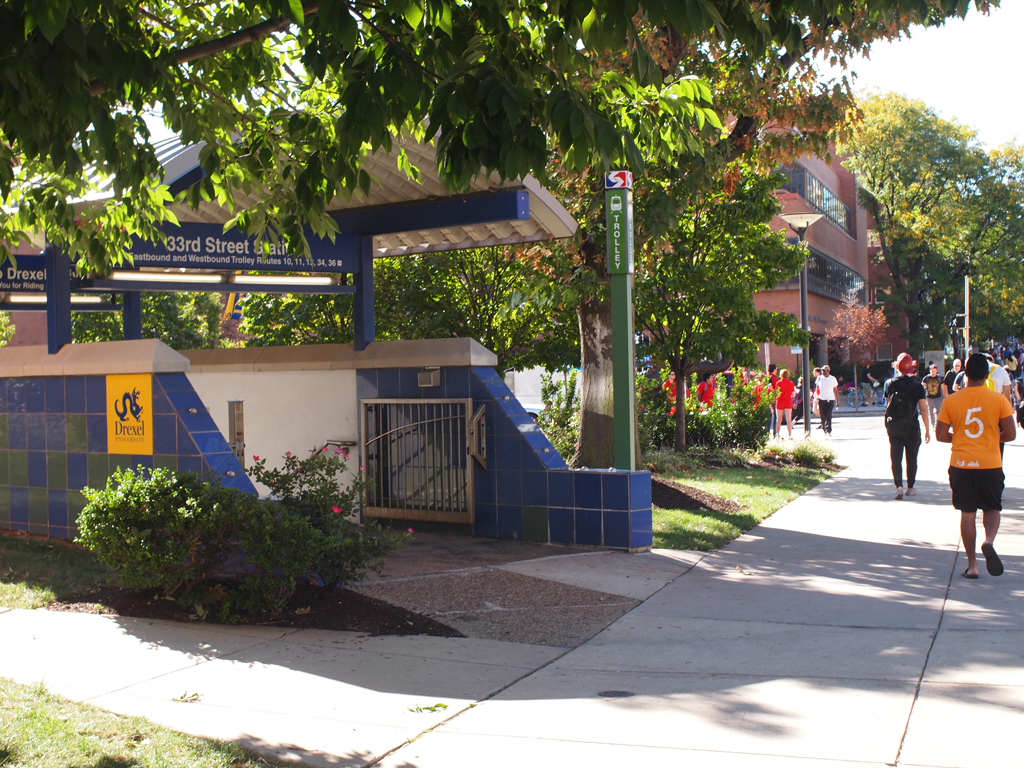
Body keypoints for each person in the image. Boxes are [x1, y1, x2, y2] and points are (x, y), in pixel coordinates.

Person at [935, 353, 1016, 579]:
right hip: (990, 463)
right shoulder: (998, 400)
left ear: (966, 373)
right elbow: (1010, 434)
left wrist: (961, 438)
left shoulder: (951, 400)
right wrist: (991, 437)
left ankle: (972, 565)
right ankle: (988, 542)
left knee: (967, 513)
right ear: (986, 374)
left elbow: (941, 435)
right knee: (992, 507)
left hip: (961, 464)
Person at [883, 353, 931, 499]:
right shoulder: (917, 385)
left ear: (897, 367)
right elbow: (923, 408)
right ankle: (910, 487)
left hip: (895, 427)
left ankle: (899, 486)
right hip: (912, 427)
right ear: (911, 368)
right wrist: (928, 429)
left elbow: (887, 405)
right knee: (912, 458)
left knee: (896, 457)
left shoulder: (889, 384)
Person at [816, 364, 838, 434]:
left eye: (824, 370)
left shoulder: (833, 379)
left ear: (828, 371)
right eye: (822, 370)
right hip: (821, 399)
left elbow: (835, 390)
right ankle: (824, 428)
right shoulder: (819, 378)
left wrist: (838, 400)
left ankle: (828, 430)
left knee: (828, 415)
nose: (822, 372)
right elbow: (817, 388)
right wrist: (816, 397)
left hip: (830, 399)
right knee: (822, 415)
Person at [774, 369, 796, 438]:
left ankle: (777, 435)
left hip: (780, 401)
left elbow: (778, 395)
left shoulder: (778, 383)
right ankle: (790, 435)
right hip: (788, 401)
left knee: (779, 420)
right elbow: (793, 395)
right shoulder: (791, 383)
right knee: (789, 420)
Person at [922, 363, 943, 430]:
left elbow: (943, 387)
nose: (933, 372)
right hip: (929, 397)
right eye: (932, 371)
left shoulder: (939, 378)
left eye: (934, 371)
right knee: (930, 412)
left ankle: (937, 425)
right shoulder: (926, 378)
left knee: (937, 411)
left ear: (936, 370)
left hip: (938, 397)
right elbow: (923, 387)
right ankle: (933, 424)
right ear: (930, 370)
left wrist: (944, 396)